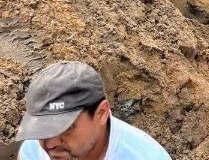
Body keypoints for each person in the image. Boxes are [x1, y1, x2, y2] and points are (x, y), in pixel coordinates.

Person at [15, 61, 170, 160]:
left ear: (101, 113)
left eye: (65, 127)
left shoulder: (146, 156)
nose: (50, 143)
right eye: (42, 128)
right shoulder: (32, 152)